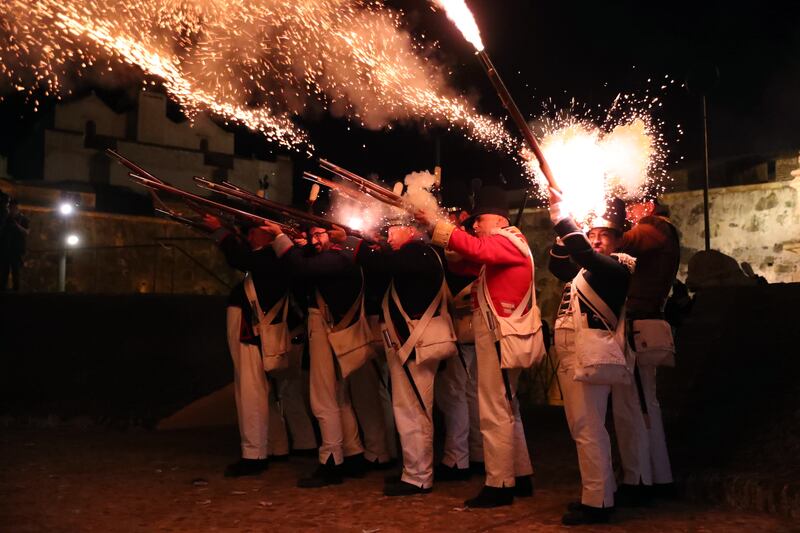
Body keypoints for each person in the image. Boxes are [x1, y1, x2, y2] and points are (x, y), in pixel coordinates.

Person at [416, 185, 541, 508]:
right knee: (506, 408)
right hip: (499, 336)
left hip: (500, 337)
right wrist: (440, 232)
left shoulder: (508, 241)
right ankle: (521, 474)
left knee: (495, 410)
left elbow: (478, 251)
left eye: (479, 220)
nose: (474, 226)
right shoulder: (504, 244)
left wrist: (436, 225)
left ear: (498, 221)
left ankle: (500, 482)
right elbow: (464, 262)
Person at [263, 220, 372, 487]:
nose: (313, 240)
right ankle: (354, 453)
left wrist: (280, 237)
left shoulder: (339, 258)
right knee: (338, 398)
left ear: (334, 236)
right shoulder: (337, 257)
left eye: (318, 234)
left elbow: (301, 268)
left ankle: (332, 460)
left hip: (327, 329)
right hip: (329, 330)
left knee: (323, 400)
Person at [548, 191, 634, 525]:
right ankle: (598, 494)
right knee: (583, 427)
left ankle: (598, 502)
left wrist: (562, 216)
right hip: (575, 353)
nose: (597, 241)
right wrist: (564, 233)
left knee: (588, 428)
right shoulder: (584, 270)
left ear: (616, 241)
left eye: (604, 236)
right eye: (593, 235)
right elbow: (557, 264)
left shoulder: (615, 269)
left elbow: (584, 254)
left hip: (591, 354)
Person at [206, 216, 316, 477]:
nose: (250, 235)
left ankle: (254, 453)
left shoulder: (270, 257)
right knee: (262, 392)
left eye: (254, 231)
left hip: (252, 330)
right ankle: (276, 447)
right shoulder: (272, 256)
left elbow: (239, 258)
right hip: (257, 328)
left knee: (251, 392)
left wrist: (220, 232)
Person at [354, 219, 452, 496]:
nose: (388, 236)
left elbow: (382, 266)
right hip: (412, 342)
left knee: (414, 412)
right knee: (410, 409)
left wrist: (358, 244)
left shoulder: (415, 252)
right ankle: (414, 471)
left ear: (411, 231)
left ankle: (419, 476)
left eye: (392, 230)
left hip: (414, 343)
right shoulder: (420, 253)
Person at [611, 196, 681, 504]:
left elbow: (625, 241)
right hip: (643, 323)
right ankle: (658, 476)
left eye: (633, 205)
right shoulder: (661, 229)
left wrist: (600, 228)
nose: (628, 212)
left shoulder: (654, 227)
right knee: (644, 403)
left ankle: (639, 480)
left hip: (638, 327)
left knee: (634, 404)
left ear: (650, 205)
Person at [0, 198, 30, 292]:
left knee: (15, 271)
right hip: (5, 249)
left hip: (17, 249)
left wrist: (17, 226)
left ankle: (16, 291)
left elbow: (27, 232)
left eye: (14, 207)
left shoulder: (23, 219)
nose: (12, 209)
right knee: (4, 271)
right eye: (10, 207)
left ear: (17, 208)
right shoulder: (5, 219)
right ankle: (3, 290)